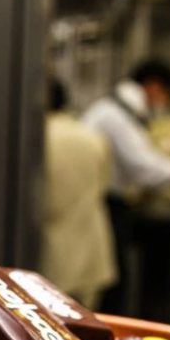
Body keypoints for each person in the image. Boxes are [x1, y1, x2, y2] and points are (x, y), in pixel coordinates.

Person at [83, 60, 170, 322]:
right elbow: (142, 165)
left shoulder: (114, 111)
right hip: (107, 205)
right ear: (153, 87)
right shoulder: (115, 116)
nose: (163, 104)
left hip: (106, 203)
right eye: (167, 97)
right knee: (114, 280)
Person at [40, 80, 117, 307]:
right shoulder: (91, 136)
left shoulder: (37, 137)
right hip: (92, 250)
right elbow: (103, 186)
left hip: (50, 253)